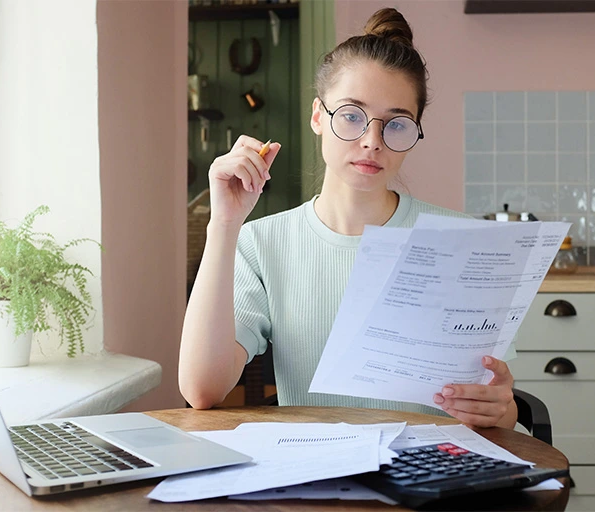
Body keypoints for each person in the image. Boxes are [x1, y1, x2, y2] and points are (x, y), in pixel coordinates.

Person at [178, 7, 518, 429]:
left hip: (433, 478)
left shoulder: (463, 242)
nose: (372, 141)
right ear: (319, 116)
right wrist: (224, 226)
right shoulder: (261, 243)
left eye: (396, 124)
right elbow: (202, 389)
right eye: (352, 116)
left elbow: (503, 415)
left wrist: (500, 407)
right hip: (318, 476)